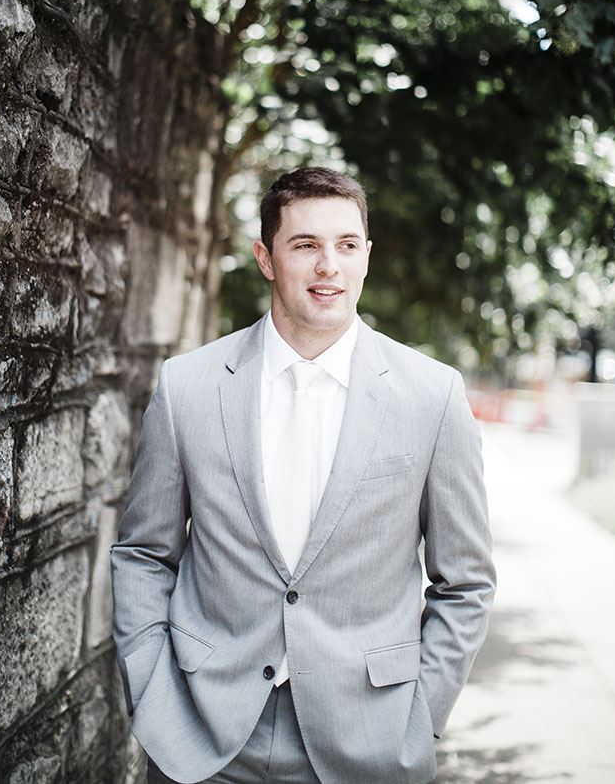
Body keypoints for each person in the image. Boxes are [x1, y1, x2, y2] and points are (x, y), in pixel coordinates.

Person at [111, 166, 495, 784]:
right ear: (266, 258)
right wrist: (154, 690)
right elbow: (143, 554)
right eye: (306, 245)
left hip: (367, 740)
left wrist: (419, 715)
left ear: (366, 256)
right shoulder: (188, 387)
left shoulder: (434, 396)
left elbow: (466, 582)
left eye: (346, 245)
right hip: (203, 735)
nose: (329, 266)